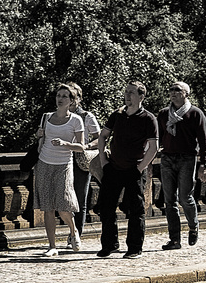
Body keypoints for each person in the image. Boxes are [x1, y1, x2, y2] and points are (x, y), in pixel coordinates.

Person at [94, 80, 159, 258]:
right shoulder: (117, 115)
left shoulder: (148, 118)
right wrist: (103, 160)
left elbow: (153, 148)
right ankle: (109, 244)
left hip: (134, 170)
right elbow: (103, 137)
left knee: (135, 210)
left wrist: (139, 168)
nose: (127, 96)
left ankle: (134, 248)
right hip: (113, 168)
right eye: (126, 92)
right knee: (106, 207)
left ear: (141, 96)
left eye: (131, 93)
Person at [33, 84, 86, 257]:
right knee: (47, 207)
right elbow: (40, 139)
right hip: (44, 164)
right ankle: (52, 246)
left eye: (65, 96)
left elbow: (81, 147)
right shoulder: (46, 117)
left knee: (63, 206)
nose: (60, 98)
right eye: (58, 95)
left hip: (64, 165)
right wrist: (39, 135)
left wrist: (65, 144)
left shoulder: (76, 120)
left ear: (71, 101)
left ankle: (73, 231)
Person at [158, 79, 206, 250]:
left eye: (178, 90)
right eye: (171, 89)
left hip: (187, 159)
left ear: (186, 94)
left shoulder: (195, 114)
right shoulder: (164, 114)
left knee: (185, 198)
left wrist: (204, 164)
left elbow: (204, 141)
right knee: (169, 201)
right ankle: (174, 239)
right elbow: (157, 137)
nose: (173, 92)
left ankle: (193, 226)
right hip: (166, 158)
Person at [66, 81, 102, 234]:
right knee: (64, 199)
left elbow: (99, 138)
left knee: (80, 197)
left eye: (73, 96)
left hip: (80, 160)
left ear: (79, 98)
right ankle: (70, 230)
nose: (70, 99)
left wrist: (85, 147)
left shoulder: (87, 116)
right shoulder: (58, 116)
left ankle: (76, 234)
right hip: (62, 158)